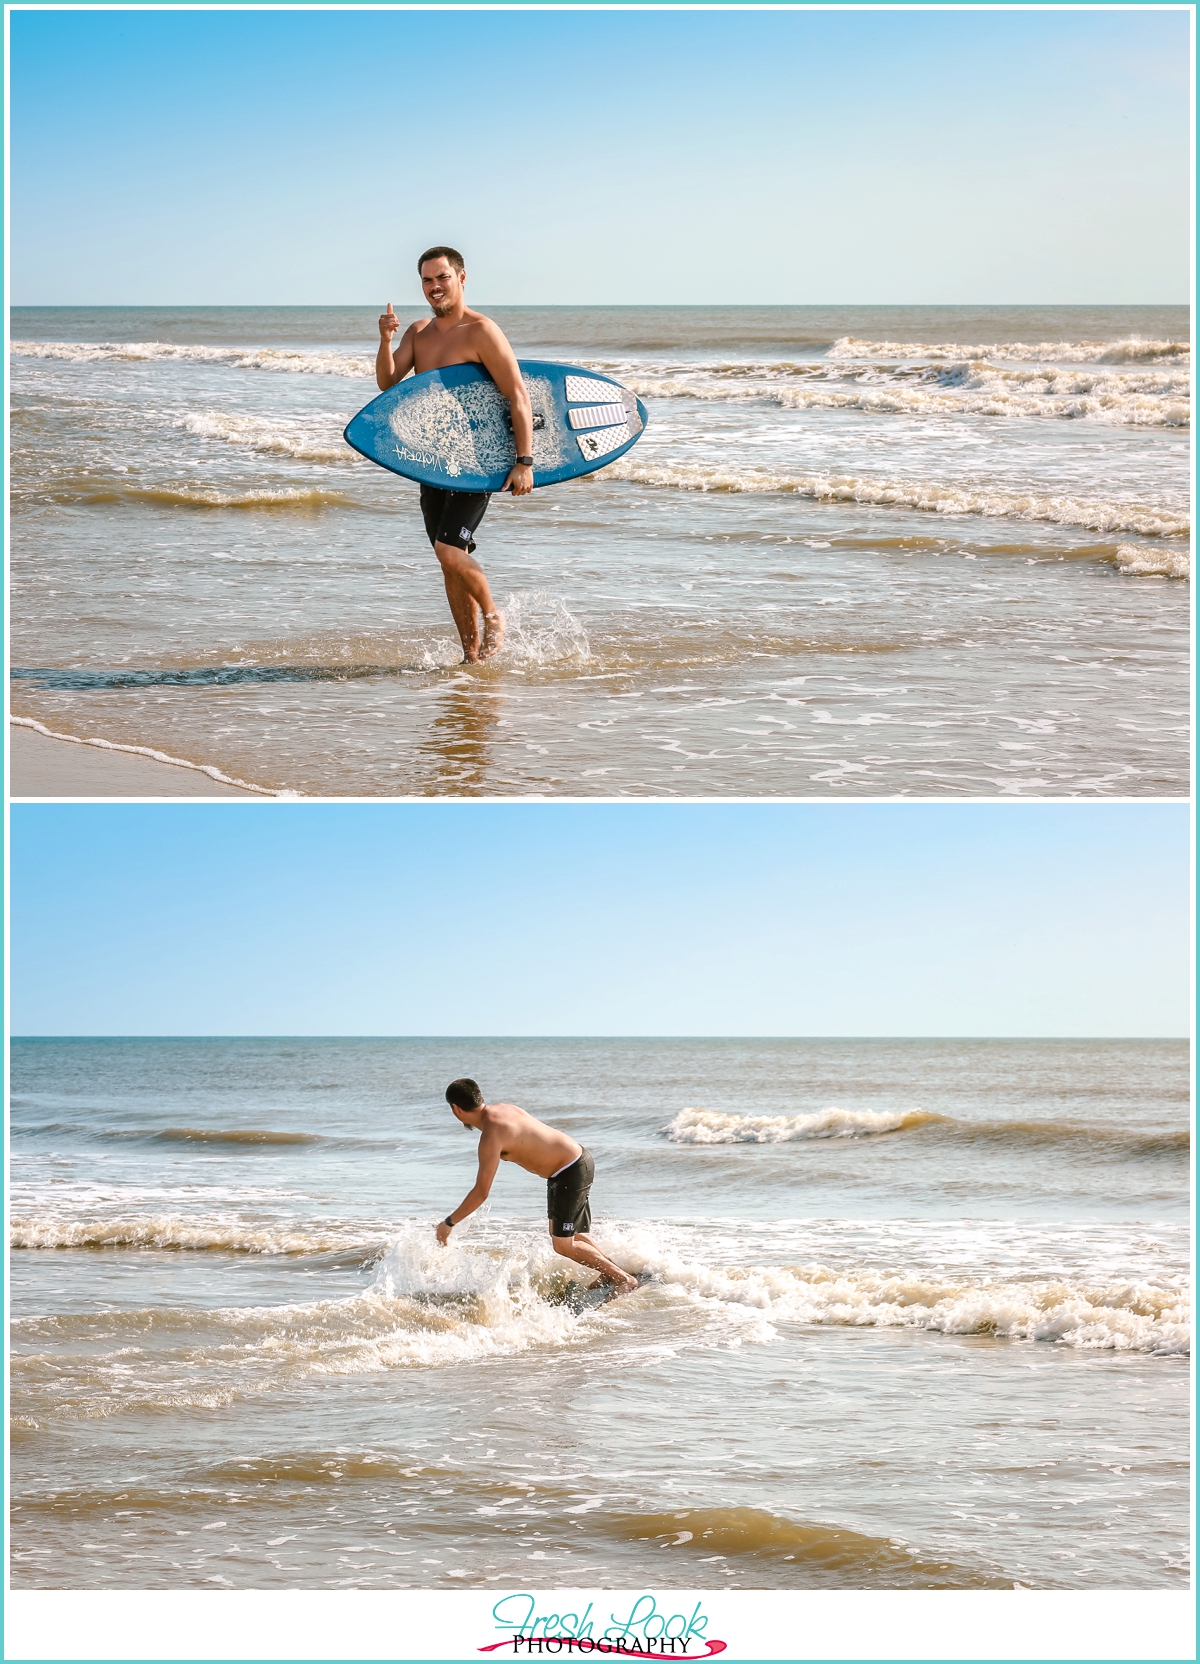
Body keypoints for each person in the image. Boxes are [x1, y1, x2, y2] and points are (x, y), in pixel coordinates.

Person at [376, 246, 534, 664]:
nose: (434, 287)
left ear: (461, 278)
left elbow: (518, 395)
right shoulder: (419, 333)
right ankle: (471, 656)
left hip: (477, 461)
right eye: (427, 280)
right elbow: (389, 384)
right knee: (449, 563)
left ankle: (494, 616)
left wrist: (524, 461)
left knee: (450, 551)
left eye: (442, 277)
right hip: (431, 462)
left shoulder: (482, 331)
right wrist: (386, 339)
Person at [435, 1078, 637, 1294]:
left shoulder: (491, 1136)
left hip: (569, 1170)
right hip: (573, 1163)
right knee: (571, 1234)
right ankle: (610, 1271)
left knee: (562, 1245)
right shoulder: (503, 1109)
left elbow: (481, 1192)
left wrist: (449, 1223)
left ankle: (623, 1279)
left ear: (456, 1109)